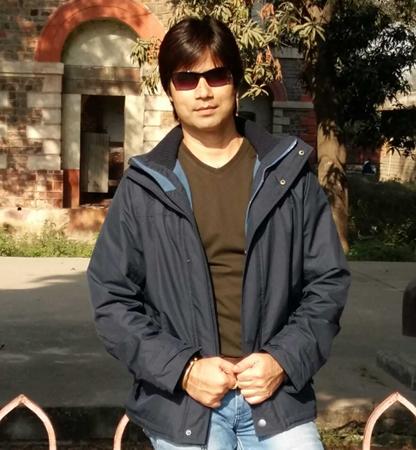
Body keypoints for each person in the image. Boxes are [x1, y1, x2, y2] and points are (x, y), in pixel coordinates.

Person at [87, 16, 350, 450]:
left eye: (216, 75)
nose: (203, 91)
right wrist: (184, 370)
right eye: (186, 79)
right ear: (170, 90)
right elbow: (112, 296)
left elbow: (327, 281)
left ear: (236, 82)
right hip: (186, 403)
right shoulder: (144, 186)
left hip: (273, 396)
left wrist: (282, 360)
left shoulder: (287, 174)